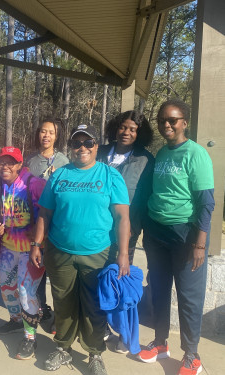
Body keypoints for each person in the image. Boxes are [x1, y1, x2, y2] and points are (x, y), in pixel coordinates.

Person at [30, 124, 130, 375]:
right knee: (63, 302)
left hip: (97, 254)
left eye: (88, 143)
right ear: (71, 147)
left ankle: (94, 352)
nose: (82, 148)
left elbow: (122, 217)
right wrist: (36, 243)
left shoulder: (110, 175)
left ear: (97, 146)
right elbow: (45, 212)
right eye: (77, 143)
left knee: (93, 305)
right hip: (60, 251)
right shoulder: (60, 175)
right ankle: (63, 347)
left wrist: (124, 254)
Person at [137, 99, 214, 375]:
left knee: (188, 297)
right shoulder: (163, 153)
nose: (166, 125)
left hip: (185, 236)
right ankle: (160, 343)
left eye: (172, 120)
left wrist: (200, 244)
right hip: (157, 233)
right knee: (158, 289)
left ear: (184, 122)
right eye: (161, 120)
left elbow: (206, 203)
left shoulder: (196, 154)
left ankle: (191, 355)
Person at [97, 110, 154, 352]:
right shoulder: (99, 152)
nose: (126, 132)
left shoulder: (145, 160)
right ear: (115, 128)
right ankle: (101, 327)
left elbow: (143, 199)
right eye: (123, 127)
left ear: (139, 133)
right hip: (97, 228)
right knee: (98, 278)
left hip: (126, 232)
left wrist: (134, 229)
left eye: (132, 129)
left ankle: (123, 332)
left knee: (121, 281)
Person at [0, 146, 46, 360]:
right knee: (6, 288)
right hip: (8, 247)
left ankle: (30, 337)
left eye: (10, 162)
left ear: (20, 165)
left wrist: (40, 242)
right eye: (2, 162)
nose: (5, 166)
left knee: (25, 293)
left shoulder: (34, 184)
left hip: (32, 250)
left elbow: (50, 213)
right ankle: (15, 320)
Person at [25, 117, 69, 332]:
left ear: (56, 135)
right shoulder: (30, 162)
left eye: (50, 132)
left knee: (57, 273)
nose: (46, 136)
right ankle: (42, 309)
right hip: (36, 225)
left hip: (58, 226)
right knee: (37, 270)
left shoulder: (64, 162)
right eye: (43, 131)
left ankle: (61, 317)